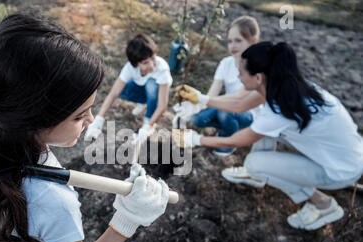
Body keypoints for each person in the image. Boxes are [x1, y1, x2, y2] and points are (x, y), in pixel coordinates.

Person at [0, 13, 170, 242]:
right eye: (80, 115)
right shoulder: (53, 199)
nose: (91, 119)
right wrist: (128, 218)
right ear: (35, 119)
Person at [174, 42, 363, 230]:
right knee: (260, 118)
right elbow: (240, 104)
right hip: (349, 152)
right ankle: (258, 176)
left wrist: (195, 139)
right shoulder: (284, 86)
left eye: (241, 73)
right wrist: (202, 99)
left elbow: (235, 140)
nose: (238, 77)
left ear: (258, 77)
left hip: (340, 170)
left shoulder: (279, 111)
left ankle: (323, 204)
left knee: (254, 162)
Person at [173, 16, 265, 156]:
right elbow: (212, 95)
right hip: (228, 106)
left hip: (249, 113)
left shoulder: (256, 67)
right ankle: (227, 126)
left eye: (238, 40)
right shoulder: (226, 63)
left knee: (225, 112)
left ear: (253, 41)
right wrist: (194, 105)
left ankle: (228, 139)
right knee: (197, 118)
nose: (233, 45)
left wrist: (202, 99)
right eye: (229, 41)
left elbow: (238, 100)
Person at [85, 34, 172, 145]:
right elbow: (113, 93)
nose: (152, 65)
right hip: (142, 91)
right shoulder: (130, 68)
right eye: (145, 62)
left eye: (153, 58)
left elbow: (162, 106)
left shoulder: (162, 69)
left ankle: (149, 117)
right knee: (122, 89)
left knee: (151, 86)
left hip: (157, 94)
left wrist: (147, 127)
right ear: (136, 64)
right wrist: (99, 120)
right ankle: (143, 102)